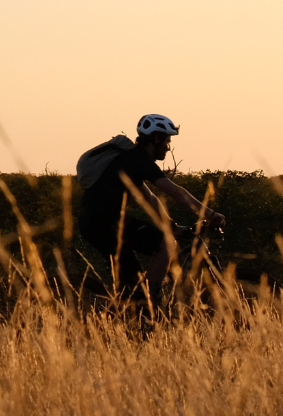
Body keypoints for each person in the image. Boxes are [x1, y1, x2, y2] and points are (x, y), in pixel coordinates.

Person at [77, 113, 214, 302]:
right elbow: (173, 191)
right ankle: (153, 304)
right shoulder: (139, 160)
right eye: (166, 141)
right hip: (105, 222)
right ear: (156, 139)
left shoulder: (130, 161)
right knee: (166, 244)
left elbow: (149, 198)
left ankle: (131, 314)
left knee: (136, 284)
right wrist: (210, 213)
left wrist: (172, 226)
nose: (168, 147)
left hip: (93, 223)